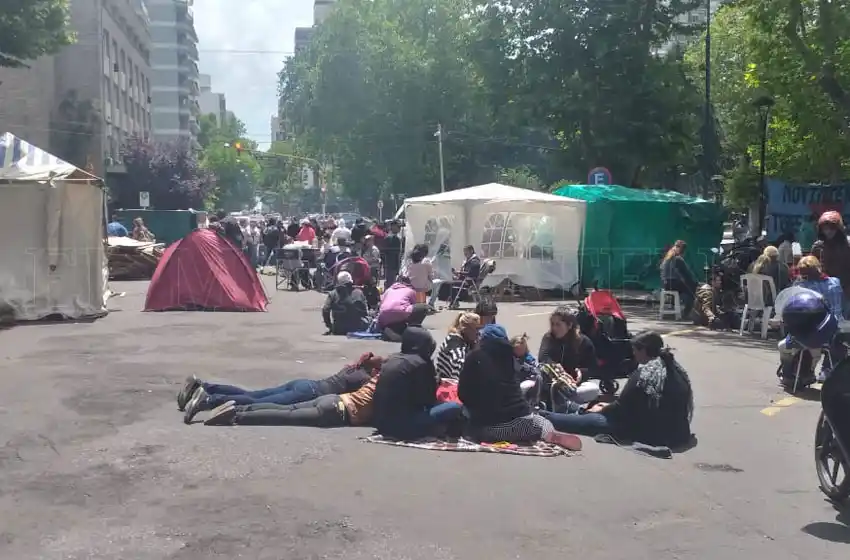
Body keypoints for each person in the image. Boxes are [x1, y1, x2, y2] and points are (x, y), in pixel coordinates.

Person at [541, 331, 694, 448]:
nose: (633, 354)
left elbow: (620, 408)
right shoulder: (675, 370)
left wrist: (603, 408)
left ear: (643, 351)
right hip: (675, 431)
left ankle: (539, 415)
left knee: (588, 419)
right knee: (586, 408)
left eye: (635, 350)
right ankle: (570, 407)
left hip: (645, 430)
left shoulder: (644, 375)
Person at [458, 324, 582, 449]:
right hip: (522, 416)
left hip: (493, 424)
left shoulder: (474, 357)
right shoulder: (509, 358)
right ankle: (549, 433)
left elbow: (463, 393)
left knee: (472, 423)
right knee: (540, 421)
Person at [179, 354, 383, 423]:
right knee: (258, 402)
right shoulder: (364, 379)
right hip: (310, 394)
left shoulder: (353, 368)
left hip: (306, 384)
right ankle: (208, 401)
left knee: (252, 394)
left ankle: (204, 387)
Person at [371, 327, 464, 440]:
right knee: (455, 407)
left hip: (381, 423)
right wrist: (434, 381)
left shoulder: (392, 359)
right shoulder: (420, 363)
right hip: (404, 425)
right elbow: (427, 400)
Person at [778, 256, 846, 383]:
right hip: (836, 332)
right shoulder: (835, 282)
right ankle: (823, 371)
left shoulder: (801, 287)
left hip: (814, 333)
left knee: (783, 346)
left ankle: (787, 375)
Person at [811, 211, 850, 317]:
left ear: (838, 229)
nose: (828, 231)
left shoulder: (847, 245)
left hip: (845, 289)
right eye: (825, 228)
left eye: (832, 228)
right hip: (824, 290)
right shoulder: (818, 247)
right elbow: (812, 265)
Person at [376, 276, 429, 341]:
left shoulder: (388, 290)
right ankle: (414, 329)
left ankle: (388, 330)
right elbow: (414, 305)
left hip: (384, 315)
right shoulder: (410, 291)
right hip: (401, 313)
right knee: (421, 307)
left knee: (393, 314)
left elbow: (381, 304)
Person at [435, 312, 480, 380]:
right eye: (476, 329)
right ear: (465, 329)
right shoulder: (454, 344)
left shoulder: (466, 341)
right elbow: (459, 372)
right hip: (447, 383)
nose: (478, 333)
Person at [322, 271, 369, 335]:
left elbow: (325, 309)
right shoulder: (358, 293)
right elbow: (365, 312)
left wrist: (329, 325)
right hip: (356, 328)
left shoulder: (333, 293)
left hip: (338, 329)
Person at [660, 240, 698, 316]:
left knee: (686, 286)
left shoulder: (669, 255)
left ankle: (675, 306)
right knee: (693, 288)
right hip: (672, 283)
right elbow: (687, 272)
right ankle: (687, 312)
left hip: (666, 284)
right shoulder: (677, 258)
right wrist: (696, 282)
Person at [381, 220, 403, 288]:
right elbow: (397, 254)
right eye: (398, 227)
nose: (399, 228)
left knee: (390, 282)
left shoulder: (388, 237)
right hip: (392, 265)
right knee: (391, 283)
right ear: (393, 227)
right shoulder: (394, 238)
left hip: (389, 265)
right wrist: (398, 267)